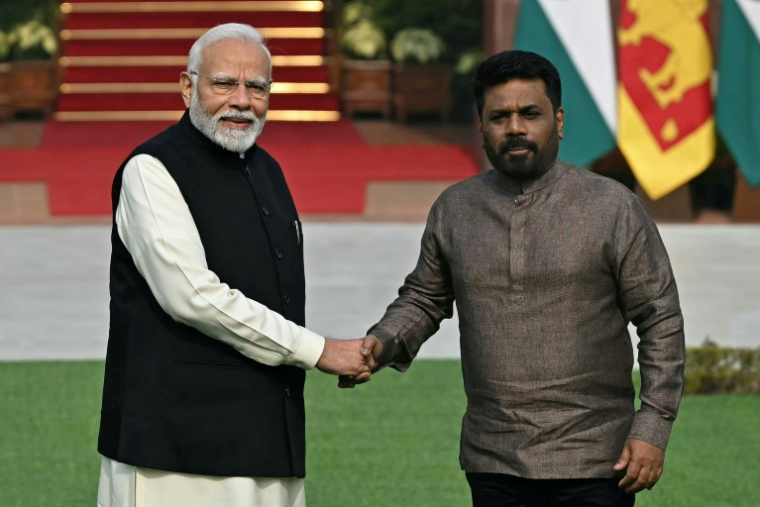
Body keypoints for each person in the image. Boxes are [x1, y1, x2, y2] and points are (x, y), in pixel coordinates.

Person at [343, 50, 685, 507]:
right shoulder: (455, 208)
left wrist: (653, 426)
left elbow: (659, 318)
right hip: (493, 458)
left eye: (530, 114)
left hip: (596, 457)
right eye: (499, 116)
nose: (516, 128)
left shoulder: (611, 207)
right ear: (481, 127)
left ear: (558, 121)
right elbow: (424, 299)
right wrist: (381, 343)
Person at [97, 23, 371, 507]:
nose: (241, 100)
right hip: (175, 450)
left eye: (257, 87)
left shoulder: (269, 169)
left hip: (269, 441)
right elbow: (193, 297)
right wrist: (318, 349)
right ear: (188, 87)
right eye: (224, 83)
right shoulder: (151, 169)